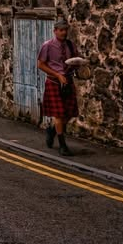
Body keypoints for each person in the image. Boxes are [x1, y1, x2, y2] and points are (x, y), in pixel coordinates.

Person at [37, 19, 80, 156]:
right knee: (59, 114)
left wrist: (79, 65)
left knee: (69, 113)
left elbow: (75, 61)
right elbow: (40, 64)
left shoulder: (71, 45)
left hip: (68, 82)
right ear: (55, 31)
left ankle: (52, 130)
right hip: (54, 82)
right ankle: (62, 145)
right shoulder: (47, 46)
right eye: (61, 30)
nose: (63, 33)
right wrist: (57, 75)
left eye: (65, 30)